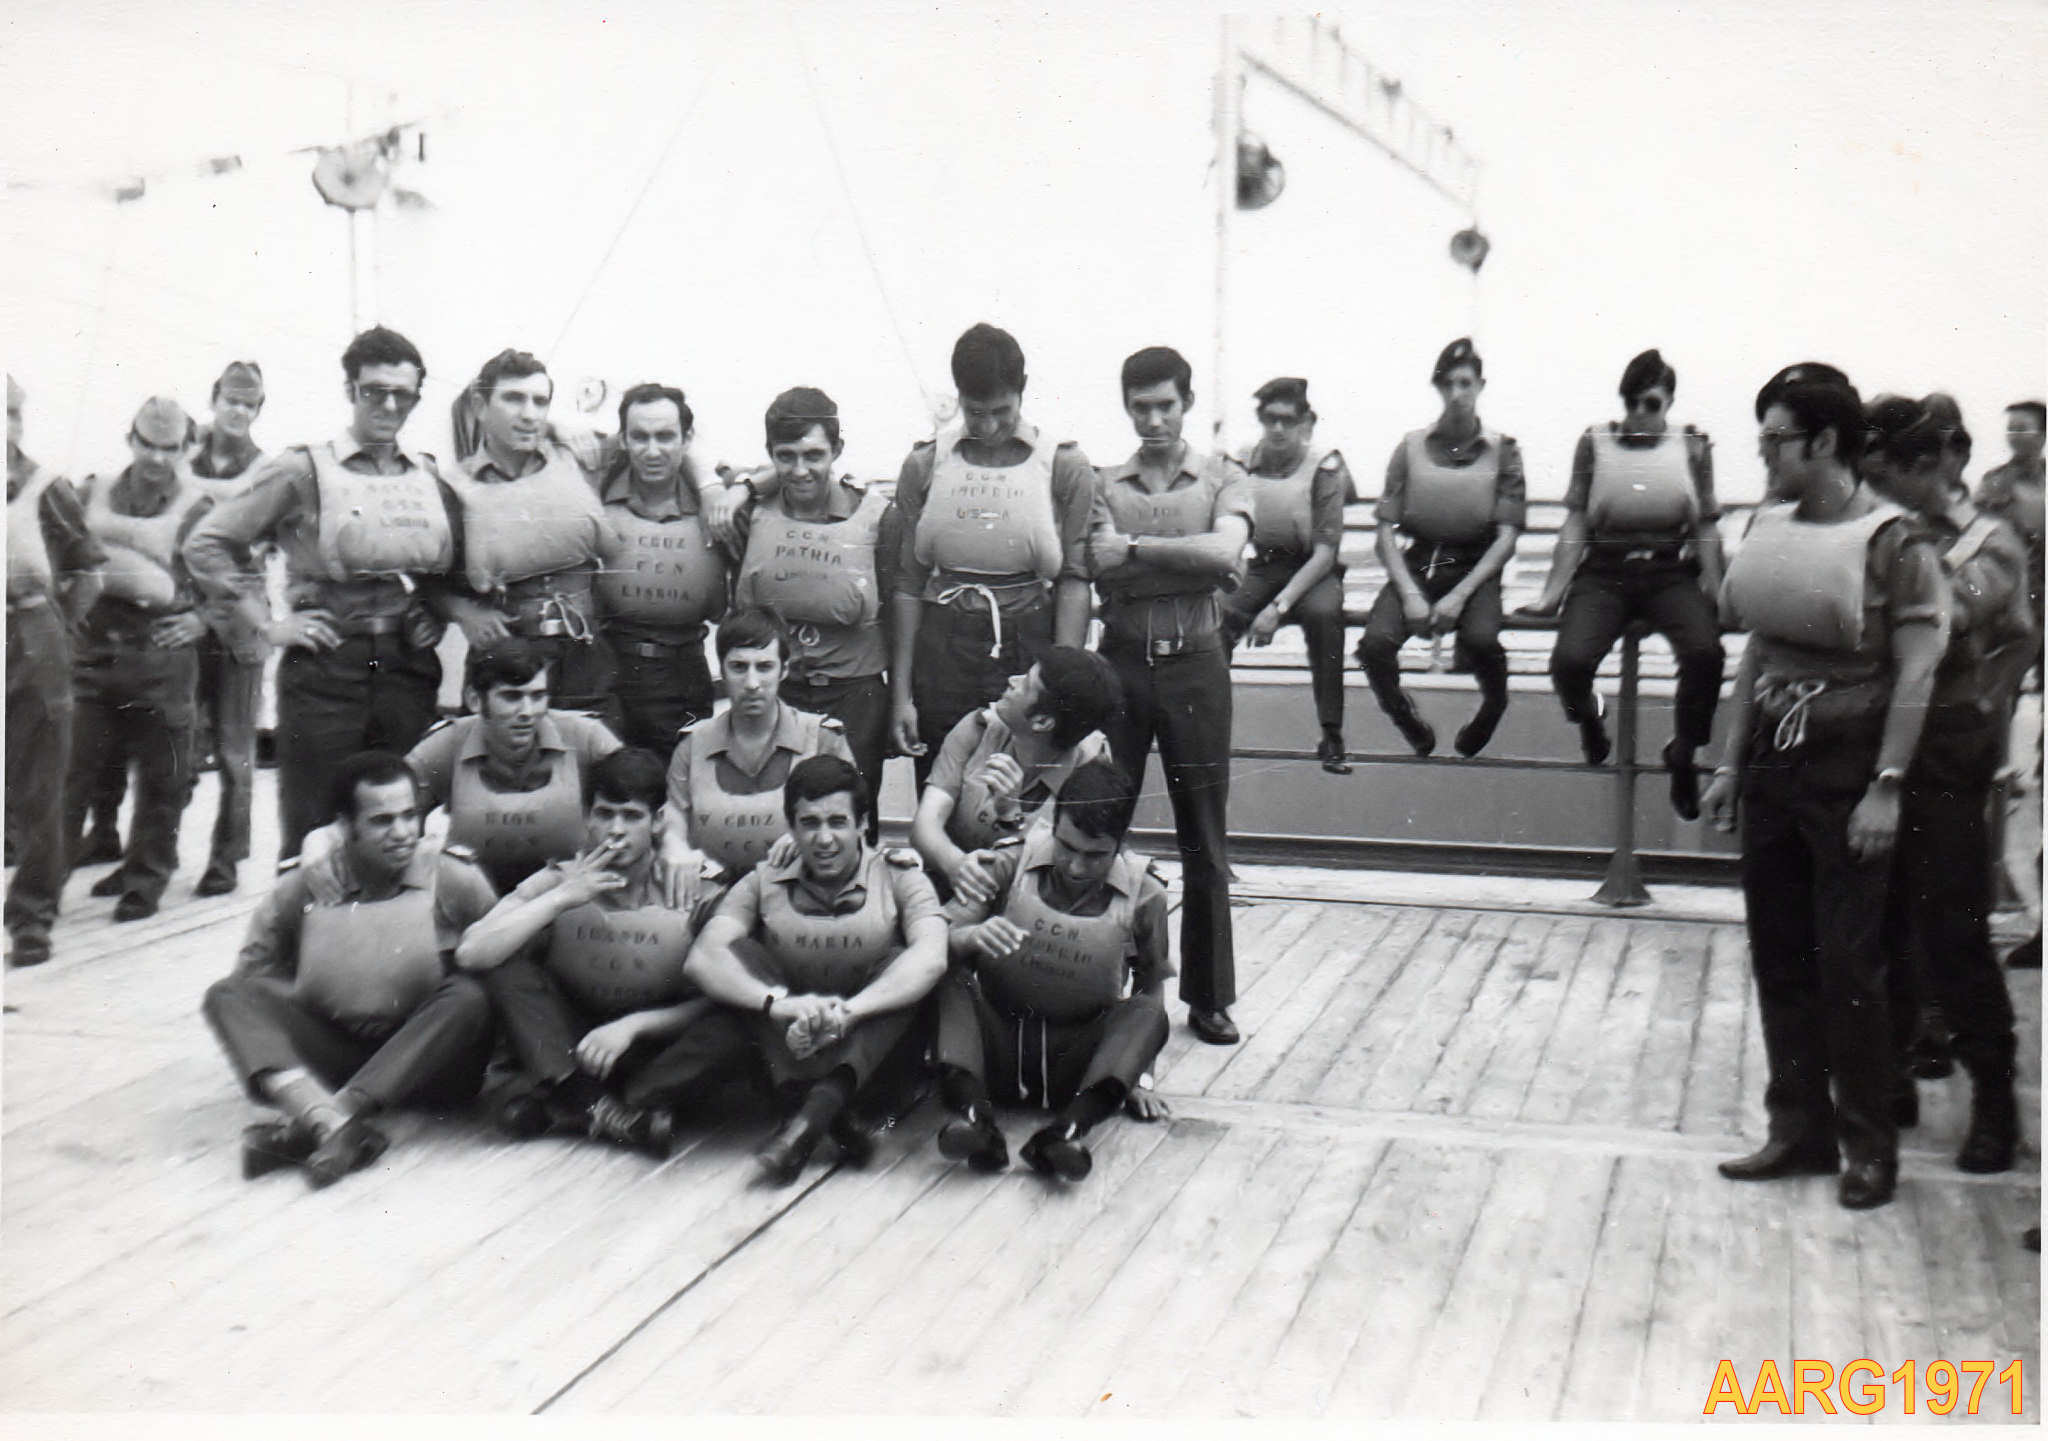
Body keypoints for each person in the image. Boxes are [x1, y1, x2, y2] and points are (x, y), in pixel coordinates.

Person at [1702, 364, 1949, 1210]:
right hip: (1775, 760)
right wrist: (1730, 763)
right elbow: (1759, 654)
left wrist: (1887, 784)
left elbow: (1918, 669)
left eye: (1776, 439)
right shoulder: (1768, 525)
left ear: (1825, 442)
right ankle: (1798, 1130)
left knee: (1850, 962)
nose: (1765, 454)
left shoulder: (1895, 543)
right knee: (1779, 951)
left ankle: (1869, 1147)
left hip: (1850, 767)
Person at [184, 326, 458, 859]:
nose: (389, 405)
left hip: (406, 666)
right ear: (350, 389)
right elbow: (208, 543)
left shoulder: (425, 475)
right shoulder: (303, 469)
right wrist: (267, 625)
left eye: (402, 395)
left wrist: (435, 613)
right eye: (374, 391)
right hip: (327, 665)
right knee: (313, 829)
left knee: (401, 827)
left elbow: (443, 563)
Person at [200, 752, 498, 1189]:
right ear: (344, 827)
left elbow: (505, 963)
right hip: (339, 1049)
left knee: (470, 996)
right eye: (382, 821)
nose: (402, 833)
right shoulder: (304, 885)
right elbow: (253, 973)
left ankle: (325, 1119)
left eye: (409, 816)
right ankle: (333, 1123)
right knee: (228, 995)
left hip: (432, 1062)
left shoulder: (453, 878)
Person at [1862, 395, 2026, 1174]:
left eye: (1883, 476)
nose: (1873, 491)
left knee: (1952, 928)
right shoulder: (1884, 533)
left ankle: (1993, 1096)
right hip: (1874, 739)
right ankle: (1890, 1074)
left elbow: (1954, 622)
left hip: (1947, 749)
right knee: (1878, 920)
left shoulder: (1990, 544)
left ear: (1930, 466)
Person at [680, 755, 948, 1184]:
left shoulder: (900, 877)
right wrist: (778, 1004)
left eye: (837, 822)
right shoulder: (763, 879)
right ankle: (821, 1115)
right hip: (793, 1050)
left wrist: (851, 1013)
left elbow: (932, 956)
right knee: (740, 952)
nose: (824, 839)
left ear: (863, 824)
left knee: (905, 964)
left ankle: (817, 1109)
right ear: (791, 826)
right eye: (809, 823)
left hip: (876, 1065)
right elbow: (704, 957)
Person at [1088, 345, 1251, 1046]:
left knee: (1203, 836)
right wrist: (1188, 554)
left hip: (1196, 665)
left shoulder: (1224, 476)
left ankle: (1209, 997)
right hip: (1122, 665)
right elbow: (1097, 563)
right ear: (1126, 407)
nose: (1153, 420)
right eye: (1140, 407)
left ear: (1186, 403)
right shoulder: (1103, 482)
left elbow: (1225, 554)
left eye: (1165, 405)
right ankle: (1092, 981)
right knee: (1099, 824)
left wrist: (1137, 551)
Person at [453, 748, 724, 1157]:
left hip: (656, 1046)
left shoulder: (692, 885)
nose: (616, 830)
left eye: (631, 816)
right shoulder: (561, 878)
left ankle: (572, 1107)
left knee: (728, 1024)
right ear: (586, 818)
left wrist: (634, 1026)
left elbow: (724, 993)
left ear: (657, 822)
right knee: (506, 964)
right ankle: (599, 1106)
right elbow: (472, 952)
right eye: (604, 814)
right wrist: (562, 897)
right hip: (576, 1046)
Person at [933, 760, 1172, 1180]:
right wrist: (970, 937)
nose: (1076, 866)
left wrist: (1139, 1077)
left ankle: (1064, 1134)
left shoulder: (1146, 894)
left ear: (1121, 843)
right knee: (946, 980)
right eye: (1067, 847)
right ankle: (977, 1122)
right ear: (1055, 824)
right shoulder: (1010, 862)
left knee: (1149, 1014)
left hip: (1074, 1062)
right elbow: (932, 942)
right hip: (996, 1047)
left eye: (1095, 855)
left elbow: (1150, 985)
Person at [885, 323, 1098, 786]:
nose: (988, 427)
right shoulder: (924, 464)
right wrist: (902, 697)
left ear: (1023, 390)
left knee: (1019, 786)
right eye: (974, 412)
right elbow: (907, 583)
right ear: (958, 396)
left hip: (1029, 646)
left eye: (1001, 411)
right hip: (944, 646)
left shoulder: (1065, 466)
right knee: (940, 780)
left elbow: (1074, 579)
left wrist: (1061, 688)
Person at [1516, 349, 1725, 817]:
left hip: (1668, 572)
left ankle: (1683, 752)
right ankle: (1591, 717)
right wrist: (1552, 594)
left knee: (1705, 653)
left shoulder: (1692, 446)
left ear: (1669, 403)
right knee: (1570, 661)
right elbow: (1575, 522)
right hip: (1605, 572)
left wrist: (1719, 591)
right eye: (1631, 402)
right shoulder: (1594, 443)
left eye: (1650, 403)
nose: (1638, 414)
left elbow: (1706, 525)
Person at [65, 397, 214, 921]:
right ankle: (38, 892)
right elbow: (55, 550)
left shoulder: (199, 508)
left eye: (168, 448)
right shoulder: (91, 492)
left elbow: (238, 575)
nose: (156, 457)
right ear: (130, 439)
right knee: (69, 773)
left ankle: (144, 881)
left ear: (186, 448)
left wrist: (202, 620)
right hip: (95, 654)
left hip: (161, 658)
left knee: (162, 780)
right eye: (147, 444)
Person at [729, 387, 900, 820]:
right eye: (785, 456)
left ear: (837, 450)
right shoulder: (750, 515)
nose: (800, 470)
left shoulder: (877, 517)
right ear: (770, 454)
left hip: (855, 696)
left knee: (851, 817)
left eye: (814, 455)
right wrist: (741, 488)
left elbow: (899, 615)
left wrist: (901, 703)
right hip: (778, 692)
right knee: (773, 817)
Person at [1356, 338, 1526, 758]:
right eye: (1448, 384)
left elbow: (1506, 537)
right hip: (1420, 561)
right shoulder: (1410, 447)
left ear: (1480, 386)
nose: (1456, 394)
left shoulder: (1504, 451)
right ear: (1437, 388)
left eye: (1465, 383)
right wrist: (1411, 595)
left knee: (1481, 640)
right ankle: (1405, 716)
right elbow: (1384, 532)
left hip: (1474, 566)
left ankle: (1494, 704)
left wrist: (1459, 597)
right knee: (1375, 644)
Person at [438, 349, 622, 726]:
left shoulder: (579, 458)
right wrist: (463, 612)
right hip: (504, 654)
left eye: (540, 402)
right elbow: (425, 580)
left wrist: (721, 487)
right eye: (513, 399)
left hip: (584, 654)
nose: (529, 414)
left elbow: (668, 440)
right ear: (480, 405)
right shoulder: (452, 486)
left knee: (594, 754)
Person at [6, 376, 104, 966]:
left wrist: (58, 626)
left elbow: (88, 568)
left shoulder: (45, 487)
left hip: (30, 633)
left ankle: (31, 917)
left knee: (39, 785)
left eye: (8, 413)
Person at [910, 645, 1118, 898]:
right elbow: (925, 825)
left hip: (1032, 900)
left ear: (1042, 722)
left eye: (1025, 684)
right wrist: (957, 865)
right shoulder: (978, 729)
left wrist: (1012, 816)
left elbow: (1068, 872)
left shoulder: (1092, 769)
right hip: (956, 888)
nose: (1012, 680)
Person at [1223, 377, 1355, 774]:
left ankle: (1331, 733)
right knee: (1218, 616)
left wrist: (1276, 609)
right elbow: (1230, 521)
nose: (1278, 428)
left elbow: (1326, 552)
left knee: (1323, 617)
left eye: (1287, 420)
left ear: (1304, 423)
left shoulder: (1325, 467)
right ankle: (1207, 725)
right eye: (1270, 419)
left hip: (1313, 569)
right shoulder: (1243, 461)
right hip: (1265, 564)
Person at [661, 609, 852, 878]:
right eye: (739, 667)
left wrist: (807, 837)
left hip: (800, 888)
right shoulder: (693, 744)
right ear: (722, 669)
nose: (752, 683)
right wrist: (674, 847)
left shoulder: (822, 740)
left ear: (784, 670)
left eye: (764, 667)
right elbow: (674, 819)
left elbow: (852, 822)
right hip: (711, 890)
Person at [593, 383, 730, 754]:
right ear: (622, 439)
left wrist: (719, 487)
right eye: (640, 436)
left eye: (665, 437)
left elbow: (776, 477)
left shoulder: (718, 504)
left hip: (683, 674)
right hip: (609, 670)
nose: (652, 451)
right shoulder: (596, 490)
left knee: (680, 776)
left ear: (687, 440)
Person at [1976, 399, 2044, 971]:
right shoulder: (1994, 485)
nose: (2015, 435)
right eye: (2011, 427)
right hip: (2009, 617)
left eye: (2025, 427)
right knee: (1992, 719)